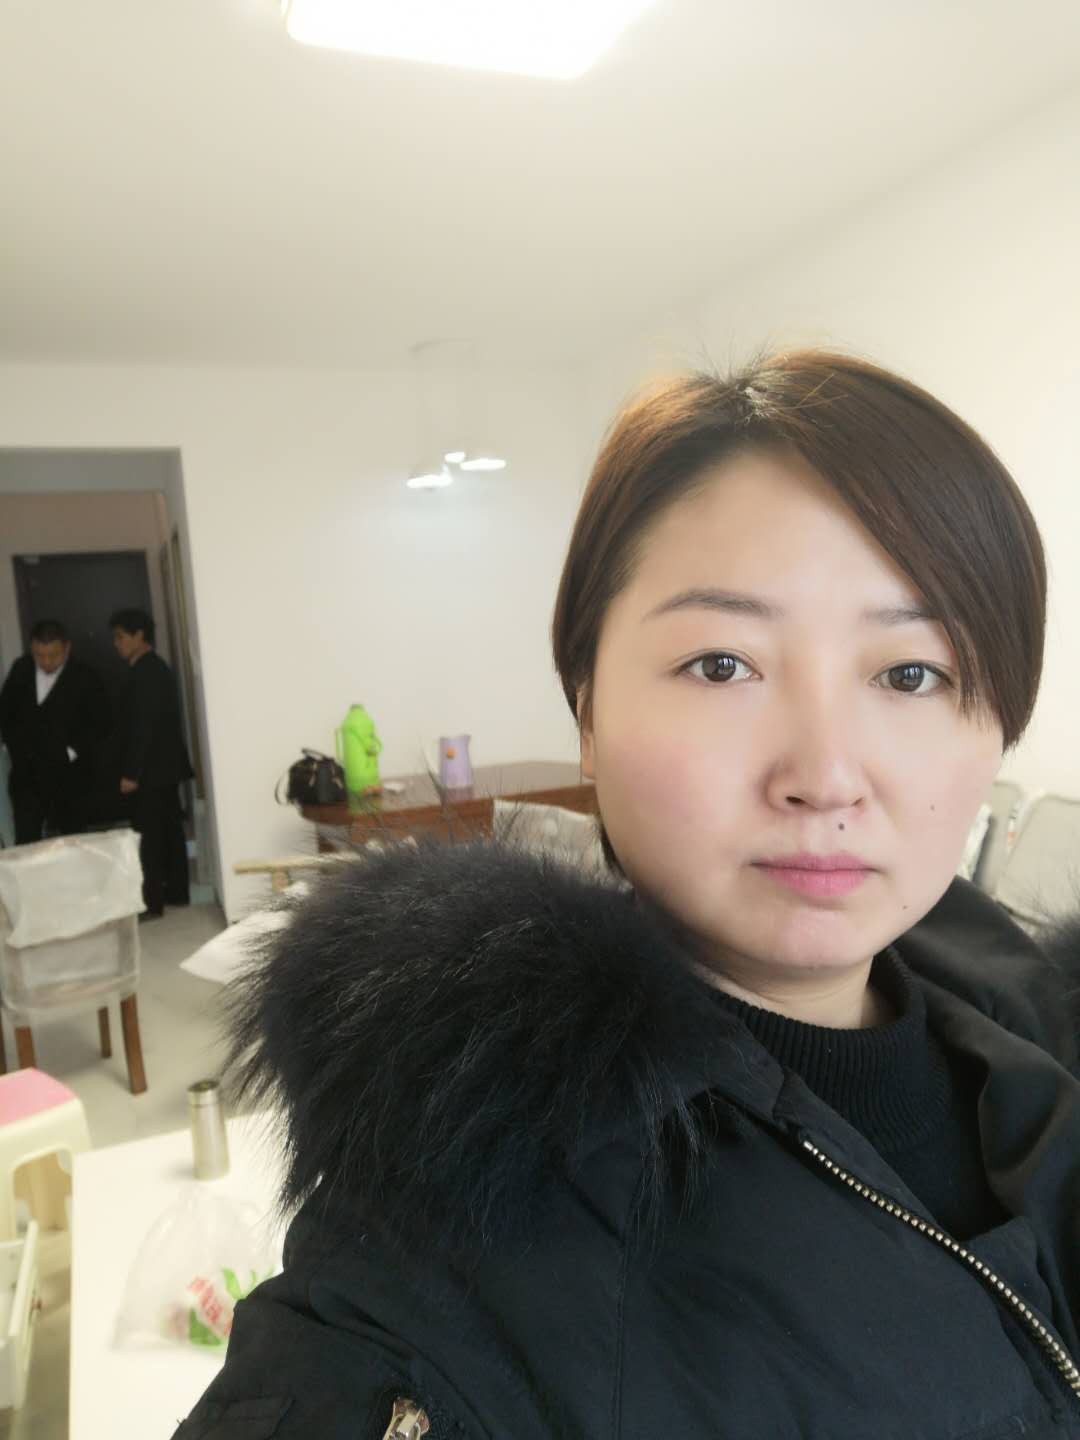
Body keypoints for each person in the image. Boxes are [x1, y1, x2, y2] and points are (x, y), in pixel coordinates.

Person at [175, 352, 1080, 1440]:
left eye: (910, 674)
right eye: (722, 664)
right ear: (588, 713)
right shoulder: (458, 1218)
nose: (826, 775)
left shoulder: (1034, 1027)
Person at [110, 607, 193, 918]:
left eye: (121, 637)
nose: (116, 644)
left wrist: (131, 773)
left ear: (139, 636)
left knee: (150, 837)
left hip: (151, 771)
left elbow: (142, 727)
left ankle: (153, 901)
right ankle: (177, 892)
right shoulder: (154, 668)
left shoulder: (146, 672)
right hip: (163, 768)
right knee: (169, 831)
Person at [0, 618, 109, 844]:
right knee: (27, 840)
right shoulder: (21, 668)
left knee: (74, 839)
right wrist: (13, 747)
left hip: (70, 775)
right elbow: (6, 712)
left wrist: (70, 752)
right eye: (39, 655)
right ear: (32, 648)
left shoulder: (85, 676)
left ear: (67, 648)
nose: (46, 661)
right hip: (26, 775)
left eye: (53, 655)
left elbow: (101, 723)